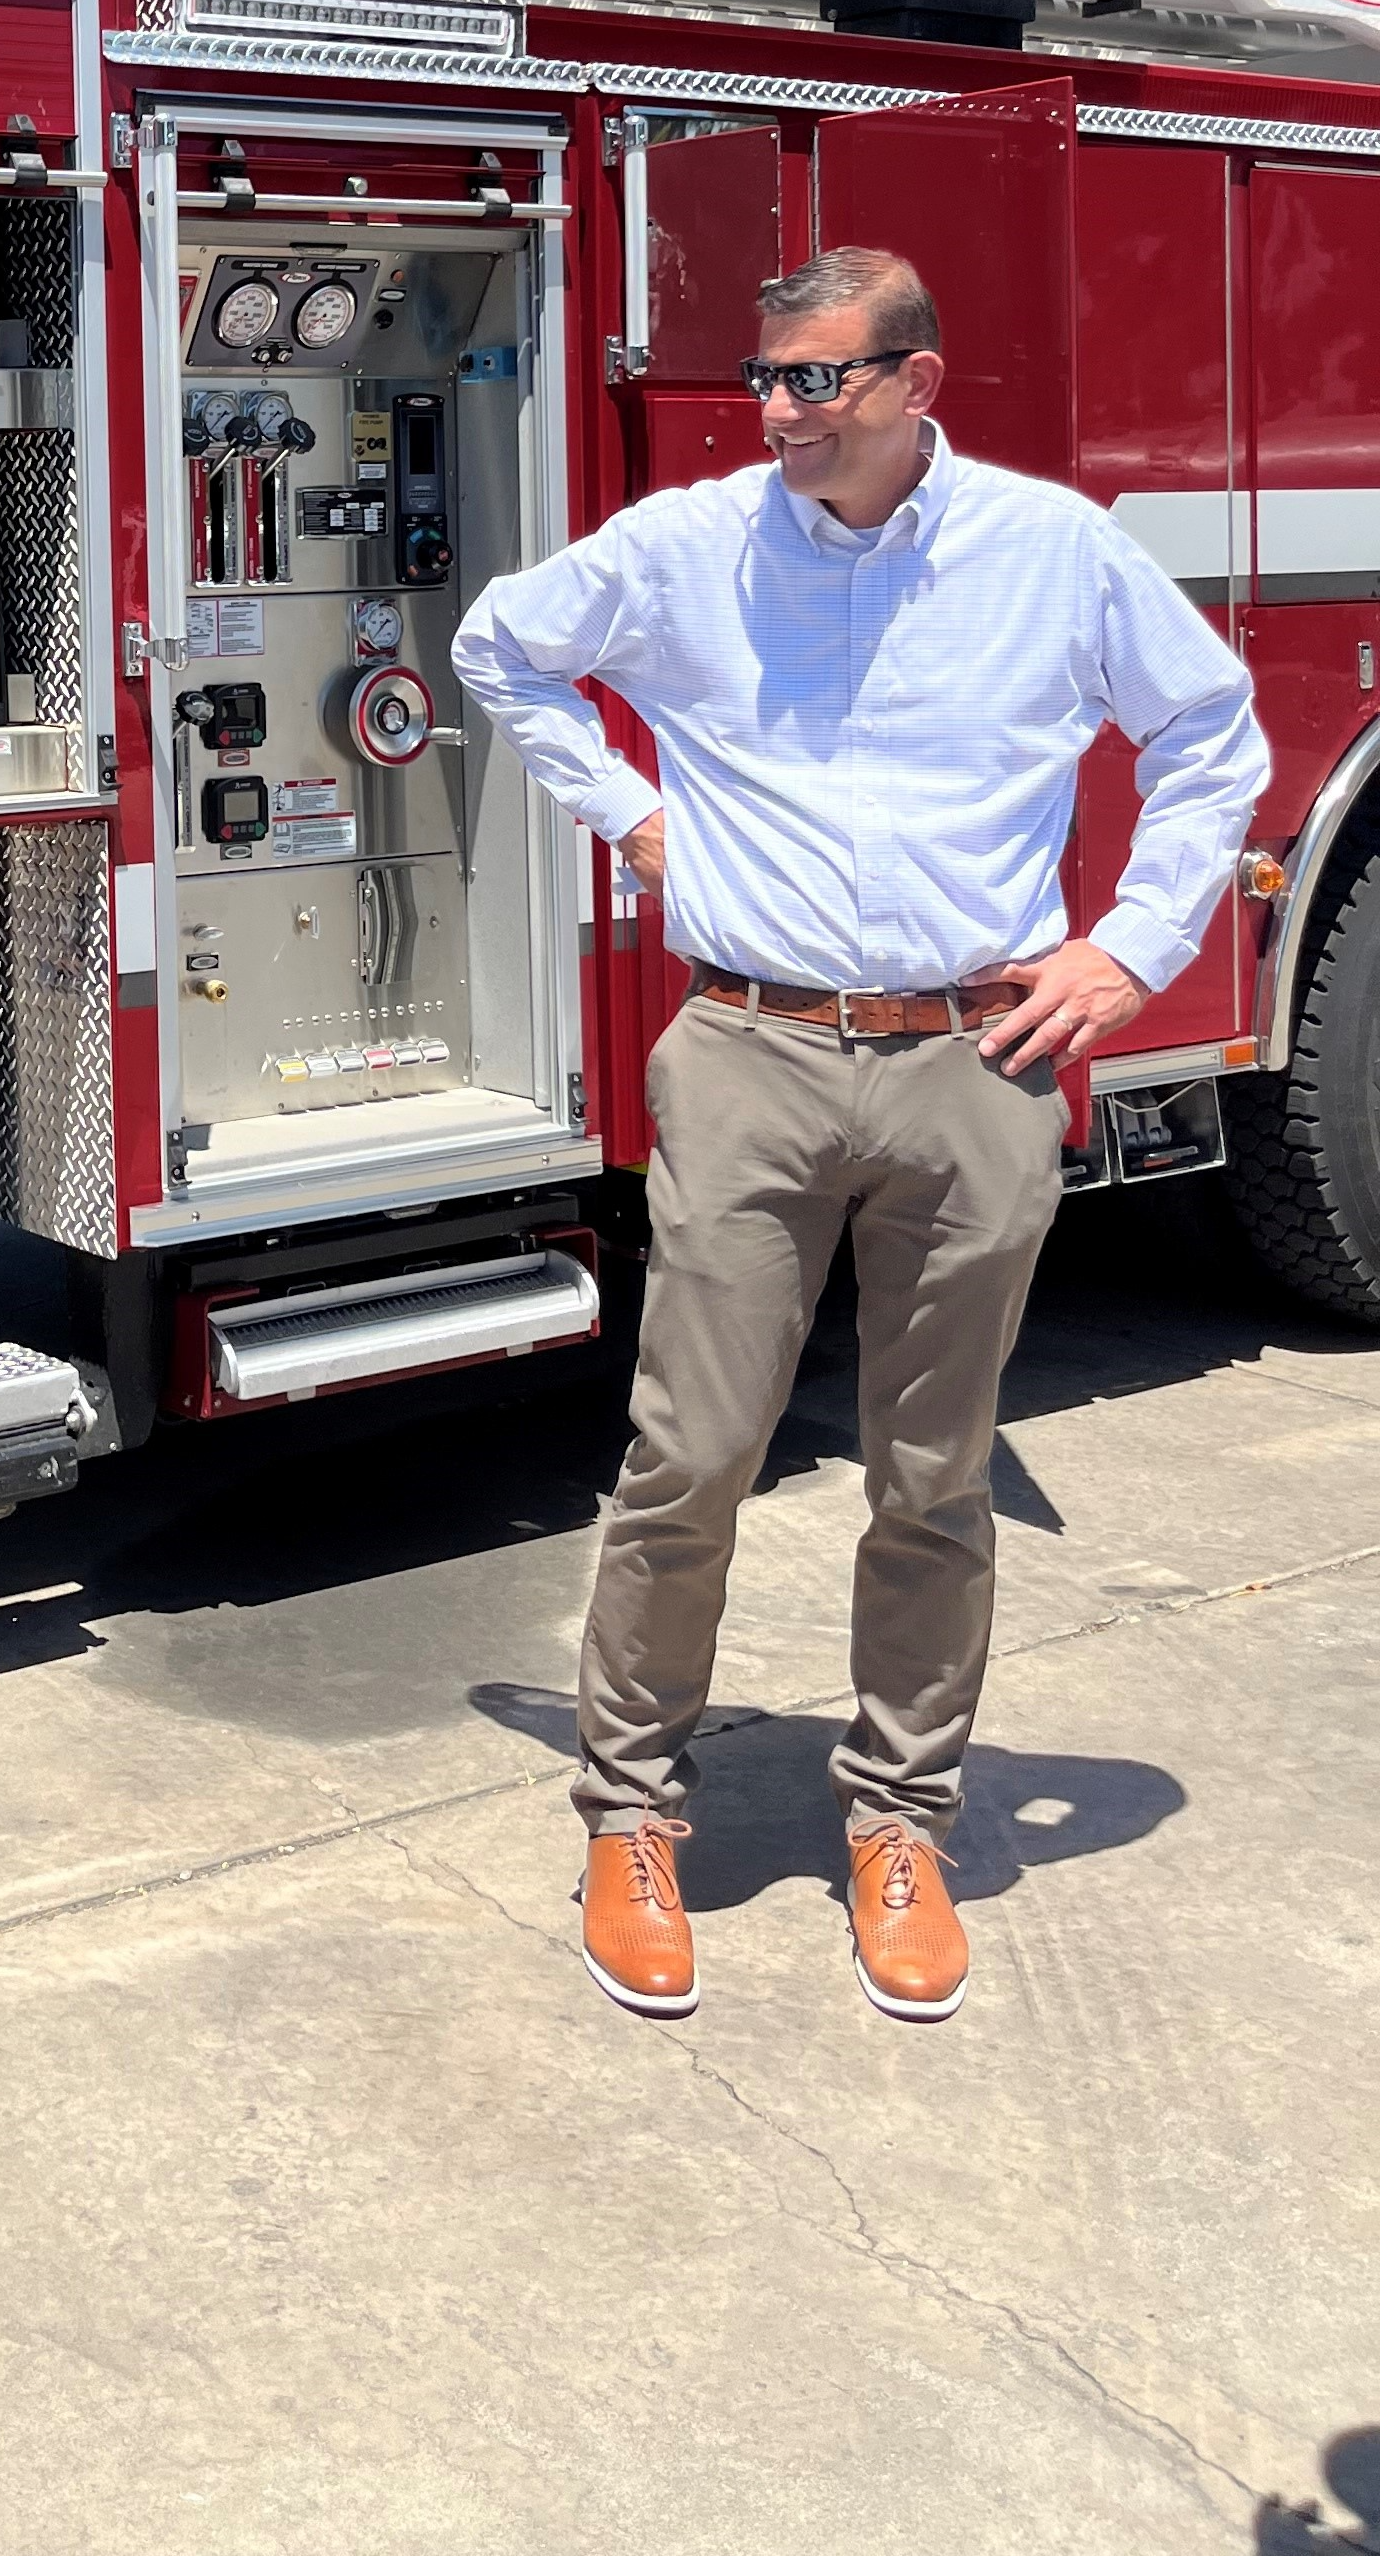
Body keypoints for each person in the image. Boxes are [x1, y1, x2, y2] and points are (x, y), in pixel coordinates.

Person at [451, 245, 1264, 2024]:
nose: (785, 413)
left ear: (922, 380)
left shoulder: (1047, 552)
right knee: (692, 1458)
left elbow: (1212, 735)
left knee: (935, 1477)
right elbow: (499, 648)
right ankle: (633, 1817)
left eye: (822, 380)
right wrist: (630, 816)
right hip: (746, 1050)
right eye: (769, 380)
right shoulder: (690, 547)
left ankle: (902, 1820)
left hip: (972, 1062)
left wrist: (1130, 950)